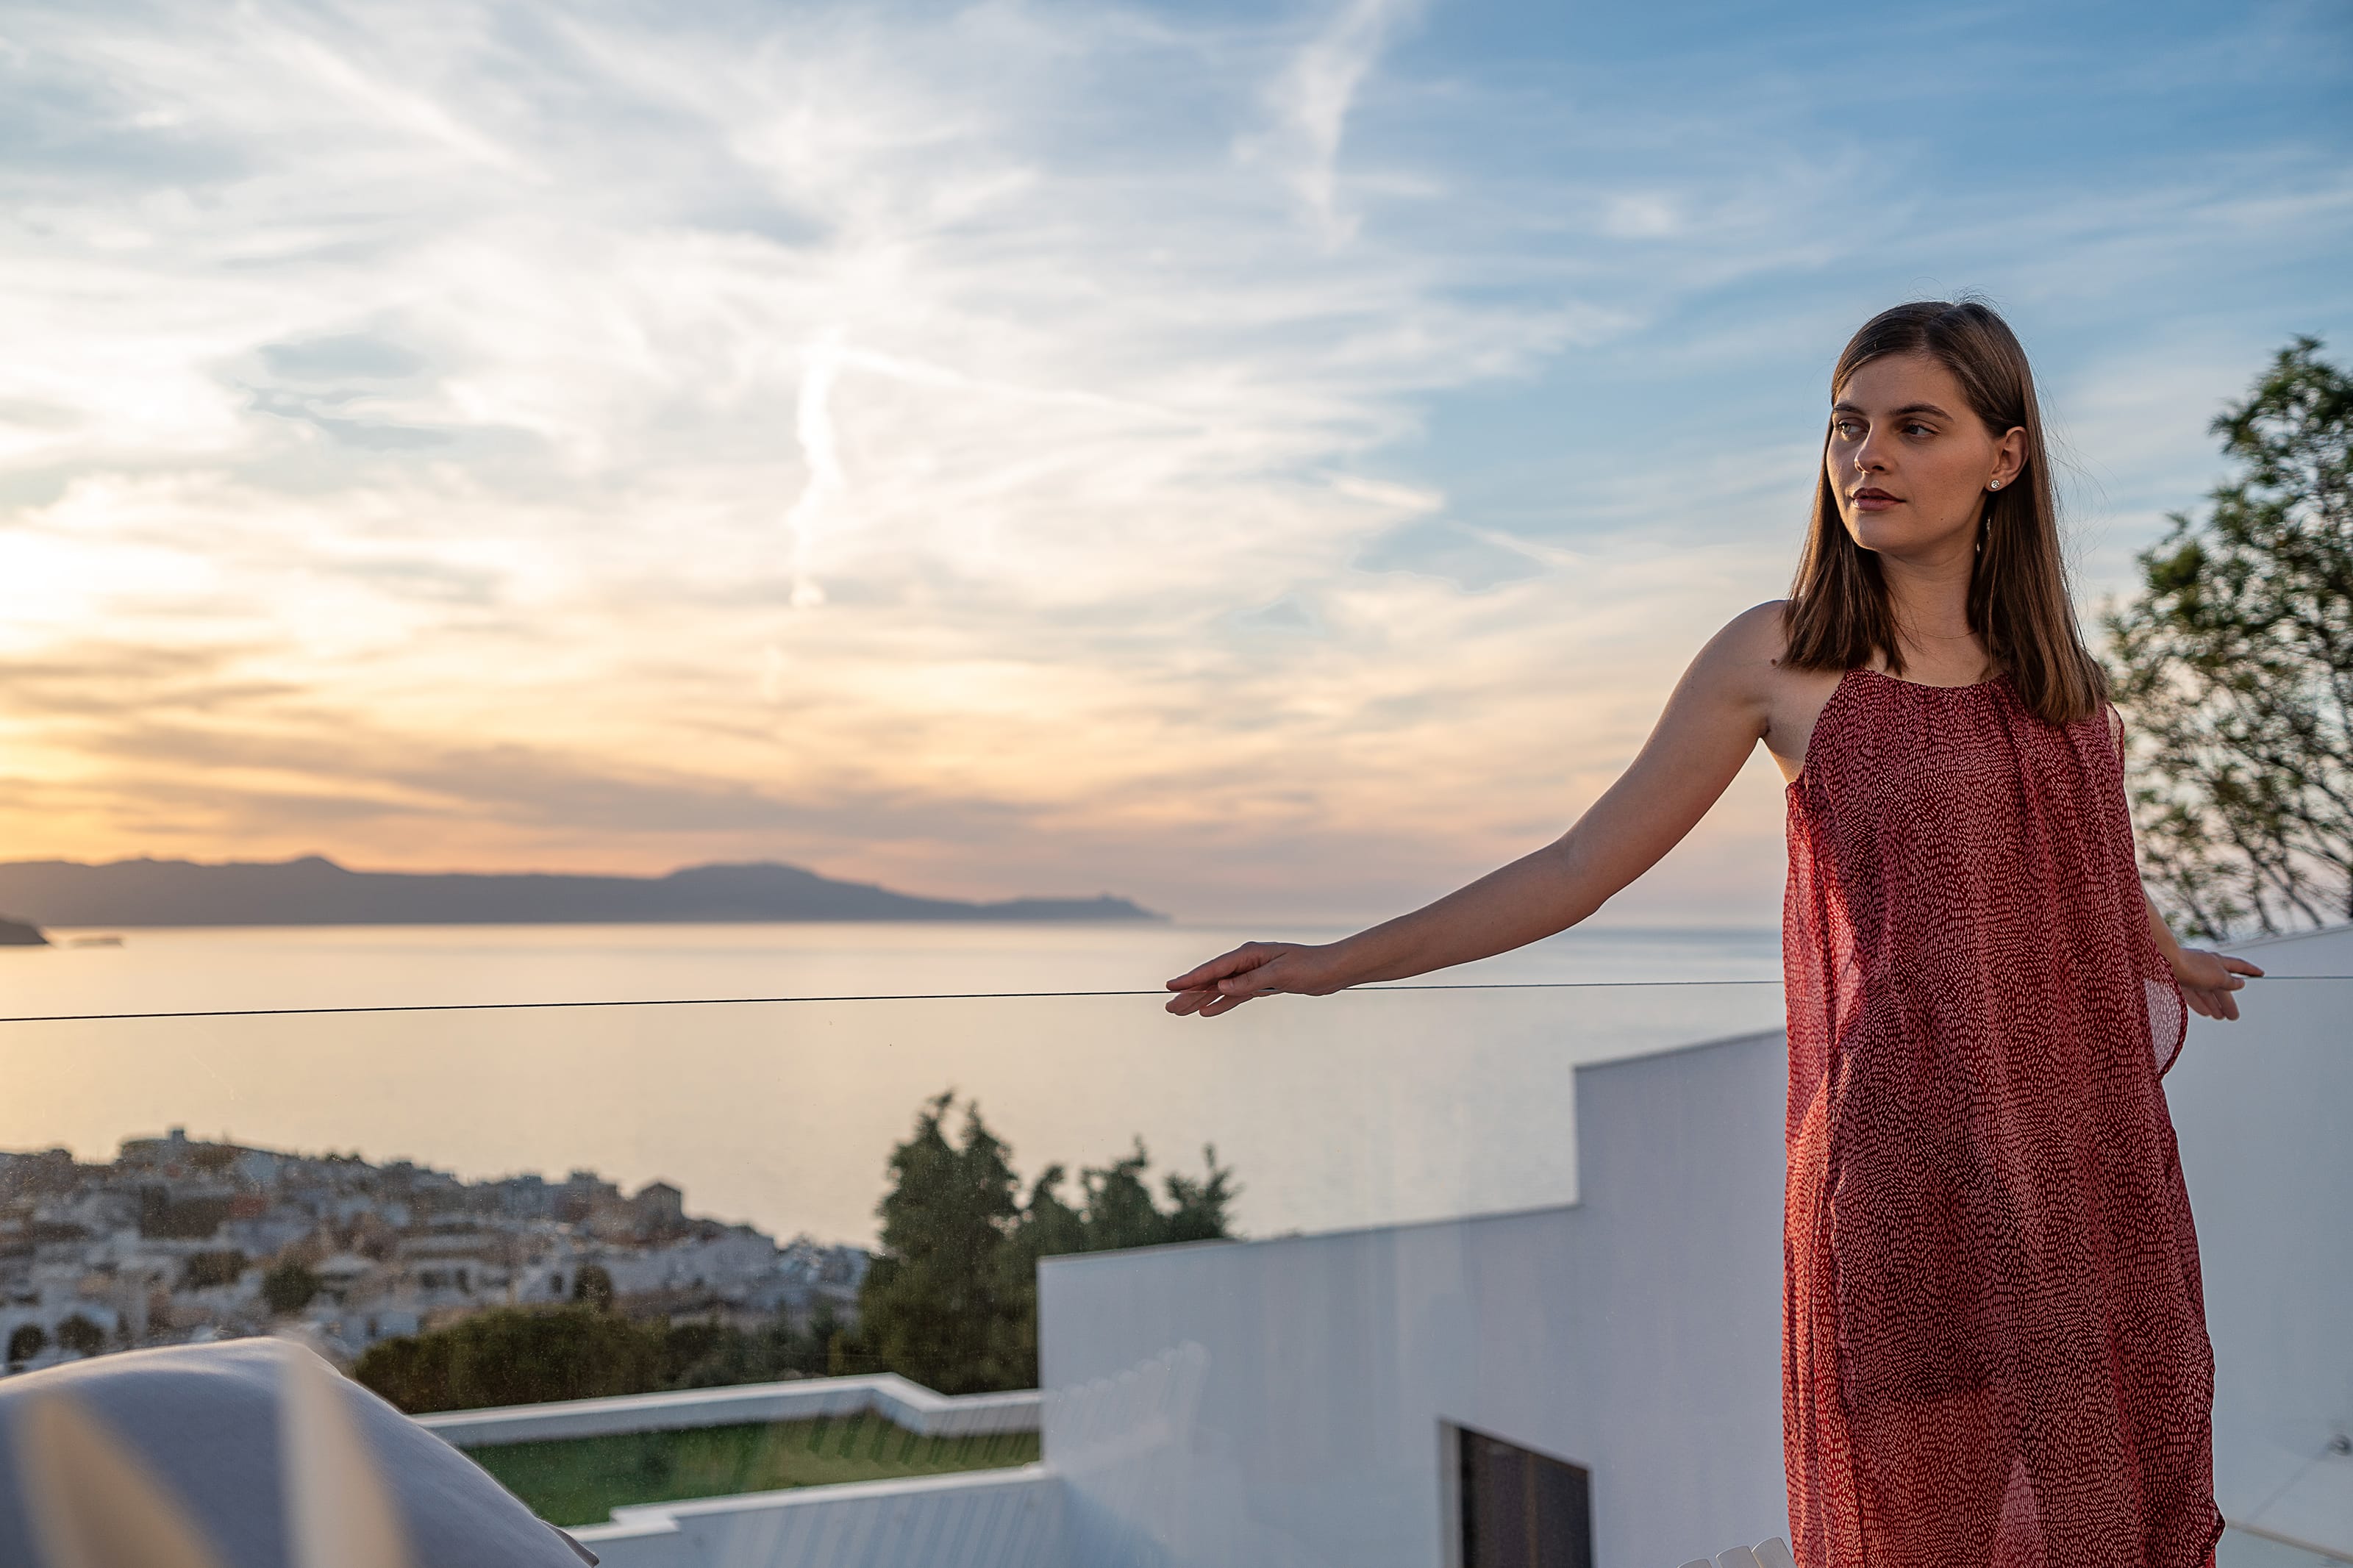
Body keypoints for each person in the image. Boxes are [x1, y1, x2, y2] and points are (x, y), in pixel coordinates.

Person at [1164, 300, 2259, 1568]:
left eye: (1915, 427)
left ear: (2005, 457)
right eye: (1849, 428)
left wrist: (2163, 951)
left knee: (2103, 1508)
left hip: (2073, 1166)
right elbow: (1581, 864)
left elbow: (2076, 859)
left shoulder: (2057, 673)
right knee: (1923, 1525)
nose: (1869, 459)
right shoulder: (1783, 657)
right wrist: (1332, 963)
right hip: (1900, 1171)